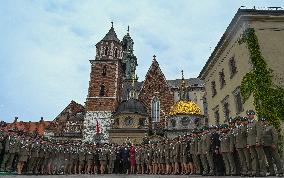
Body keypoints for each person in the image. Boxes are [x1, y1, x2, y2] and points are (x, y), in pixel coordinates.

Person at [247, 110, 267, 177]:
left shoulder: (257, 123)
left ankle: (263, 171)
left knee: (261, 157)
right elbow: (248, 135)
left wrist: (258, 141)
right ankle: (255, 171)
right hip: (251, 143)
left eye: (250, 114)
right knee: (254, 157)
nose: (249, 116)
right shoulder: (248, 124)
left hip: (256, 142)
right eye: (248, 115)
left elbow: (259, 133)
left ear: (253, 115)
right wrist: (248, 143)